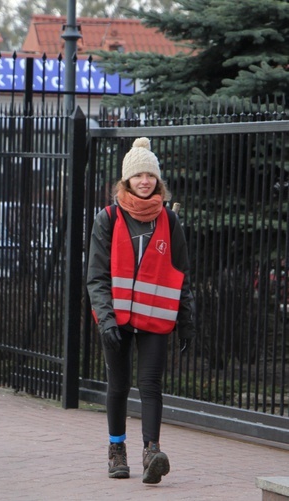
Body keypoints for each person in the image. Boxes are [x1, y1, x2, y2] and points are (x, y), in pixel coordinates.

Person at [86, 137, 196, 484]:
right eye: (138, 175)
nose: (145, 180)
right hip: (115, 319)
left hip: (155, 317)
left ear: (157, 180)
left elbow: (182, 274)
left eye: (150, 174)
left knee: (151, 385)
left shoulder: (169, 221)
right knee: (118, 386)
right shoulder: (108, 219)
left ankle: (152, 451)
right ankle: (116, 450)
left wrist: (187, 318)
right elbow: (97, 276)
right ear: (127, 180)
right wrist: (105, 319)